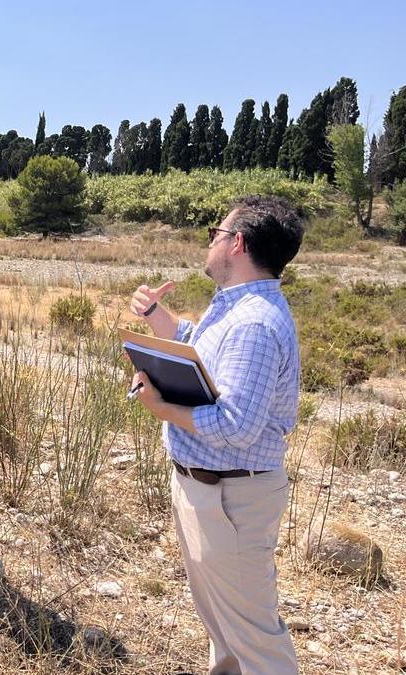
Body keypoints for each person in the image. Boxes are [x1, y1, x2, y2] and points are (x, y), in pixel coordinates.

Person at [129, 195, 303, 674]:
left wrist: (162, 407)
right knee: (226, 629)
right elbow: (199, 347)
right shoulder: (238, 307)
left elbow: (237, 425)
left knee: (253, 636)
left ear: (237, 244)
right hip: (212, 488)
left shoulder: (255, 323)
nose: (211, 244)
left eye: (216, 234)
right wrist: (155, 319)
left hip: (231, 498)